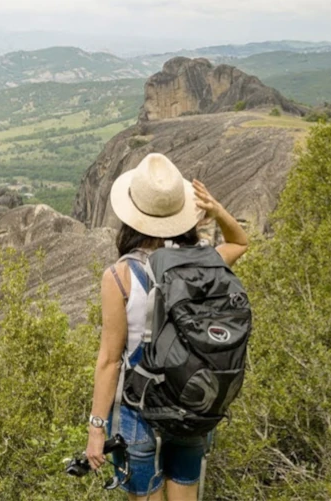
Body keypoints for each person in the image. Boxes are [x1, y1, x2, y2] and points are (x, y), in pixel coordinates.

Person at [85, 153, 250, 501]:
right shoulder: (206, 263)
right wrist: (218, 210)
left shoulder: (120, 276)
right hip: (191, 405)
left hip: (139, 411)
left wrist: (97, 429)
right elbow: (241, 242)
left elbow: (110, 361)